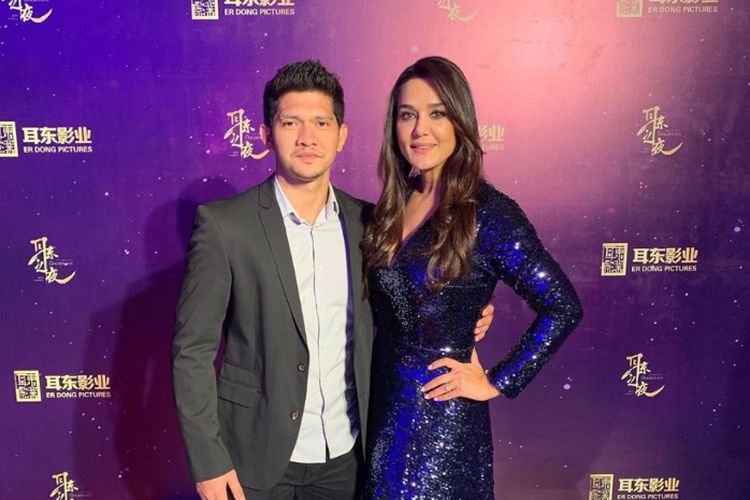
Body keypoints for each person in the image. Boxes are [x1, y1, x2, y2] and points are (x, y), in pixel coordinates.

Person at [172, 60, 494, 500]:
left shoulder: (374, 224)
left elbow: (411, 298)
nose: (307, 137)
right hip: (252, 457)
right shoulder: (225, 226)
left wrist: (469, 311)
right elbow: (192, 352)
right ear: (266, 135)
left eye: (321, 123)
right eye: (291, 122)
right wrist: (209, 461)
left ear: (341, 136)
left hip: (347, 458)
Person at [361, 56, 584, 499]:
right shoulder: (392, 205)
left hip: (441, 425)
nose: (420, 130)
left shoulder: (489, 212)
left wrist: (496, 380)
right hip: (382, 411)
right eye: (407, 115)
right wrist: (469, 303)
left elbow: (563, 306)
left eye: (437, 114)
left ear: (460, 121)